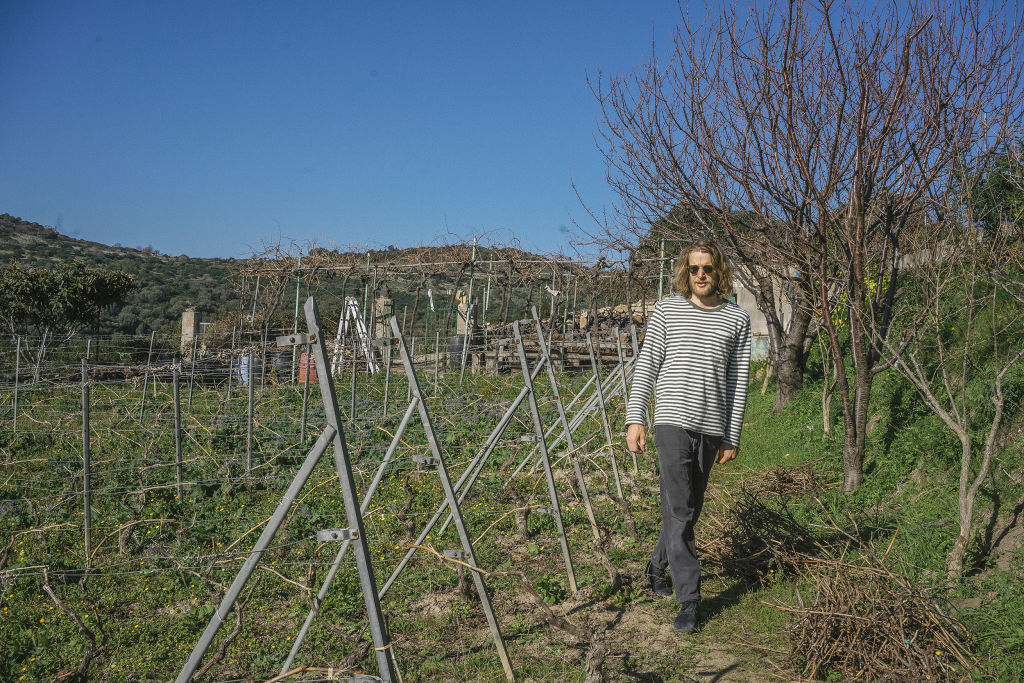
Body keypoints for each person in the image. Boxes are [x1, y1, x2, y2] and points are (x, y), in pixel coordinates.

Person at [625, 240, 751, 633]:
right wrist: (635, 417)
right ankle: (690, 600)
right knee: (680, 510)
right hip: (671, 422)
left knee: (688, 509)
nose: (701, 275)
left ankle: (656, 567)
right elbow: (648, 363)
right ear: (685, 272)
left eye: (708, 268)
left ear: (720, 272)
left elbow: (738, 380)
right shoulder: (668, 309)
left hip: (711, 427)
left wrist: (732, 434)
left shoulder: (737, 320)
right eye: (694, 268)